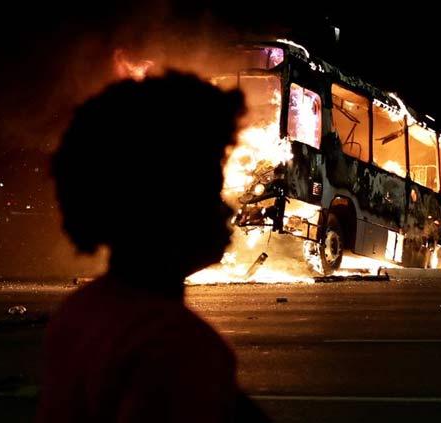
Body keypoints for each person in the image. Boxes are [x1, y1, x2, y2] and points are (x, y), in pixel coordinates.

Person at [36, 70, 270, 422]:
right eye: (207, 190)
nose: (228, 208)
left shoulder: (81, 311)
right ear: (160, 205)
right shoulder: (176, 347)